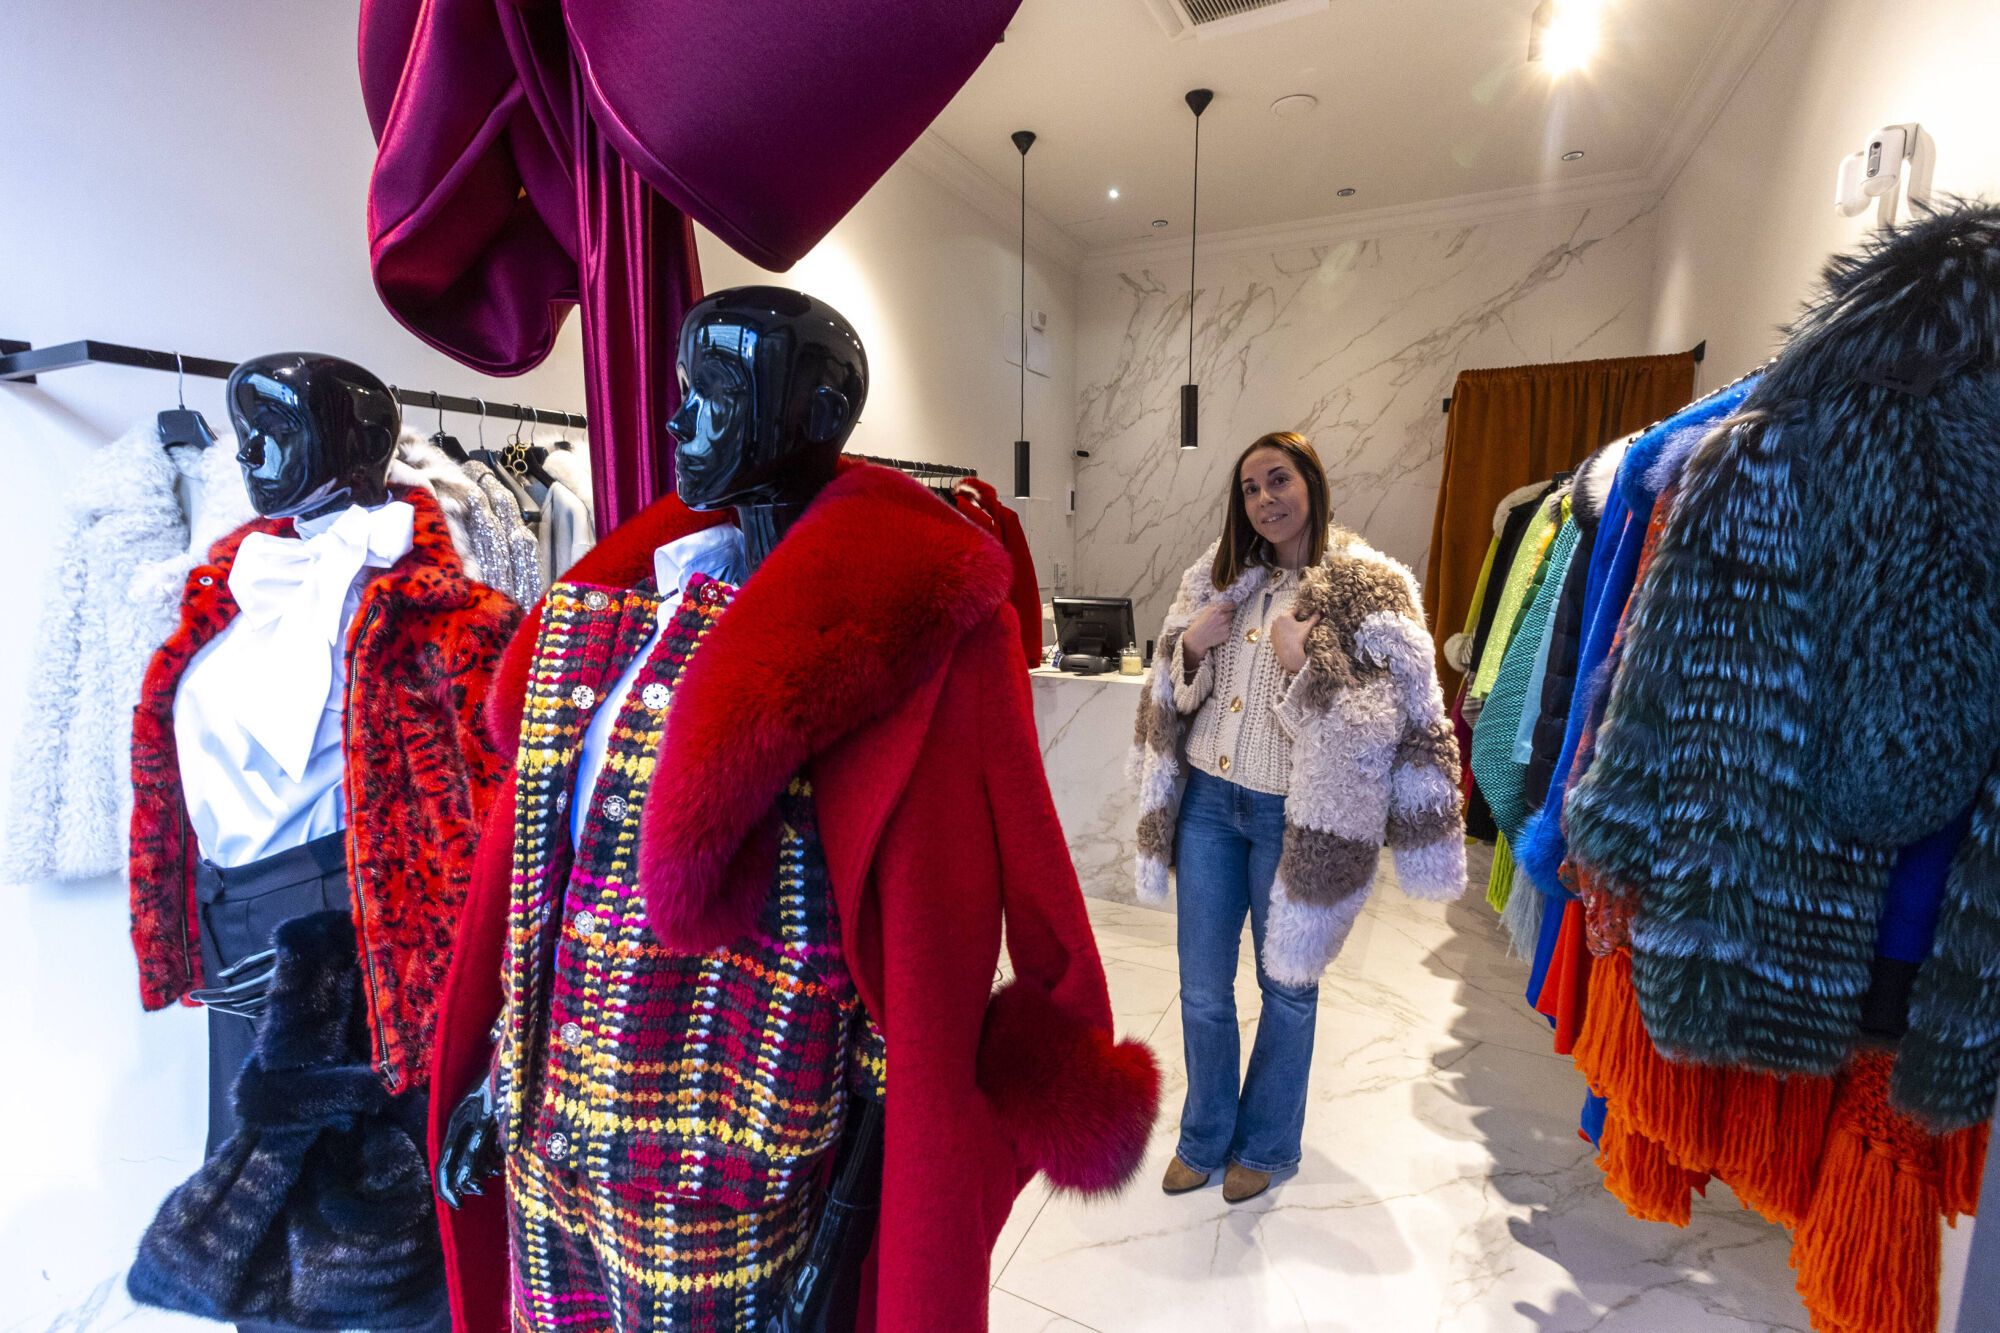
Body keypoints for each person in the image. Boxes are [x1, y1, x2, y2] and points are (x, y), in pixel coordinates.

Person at [1132, 431, 1466, 1204]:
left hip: (1296, 817)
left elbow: (1381, 721)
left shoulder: (1366, 587)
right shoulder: (1212, 577)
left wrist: (1304, 665)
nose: (1265, 500)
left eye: (1278, 479)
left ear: (1310, 482)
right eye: (1250, 488)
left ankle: (1269, 1144)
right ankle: (1205, 1135)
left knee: (1287, 985)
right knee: (1203, 987)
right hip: (1210, 806)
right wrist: (1188, 648)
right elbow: (1168, 699)